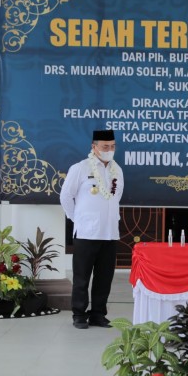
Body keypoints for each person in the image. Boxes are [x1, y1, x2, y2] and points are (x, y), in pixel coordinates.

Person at [60, 129, 124, 329]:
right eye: (105, 147)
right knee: (82, 277)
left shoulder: (117, 170)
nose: (109, 150)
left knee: (104, 278)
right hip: (87, 233)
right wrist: (77, 218)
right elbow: (65, 197)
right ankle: (79, 314)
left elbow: (116, 197)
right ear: (94, 147)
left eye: (112, 147)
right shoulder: (80, 168)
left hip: (110, 233)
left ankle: (98, 314)